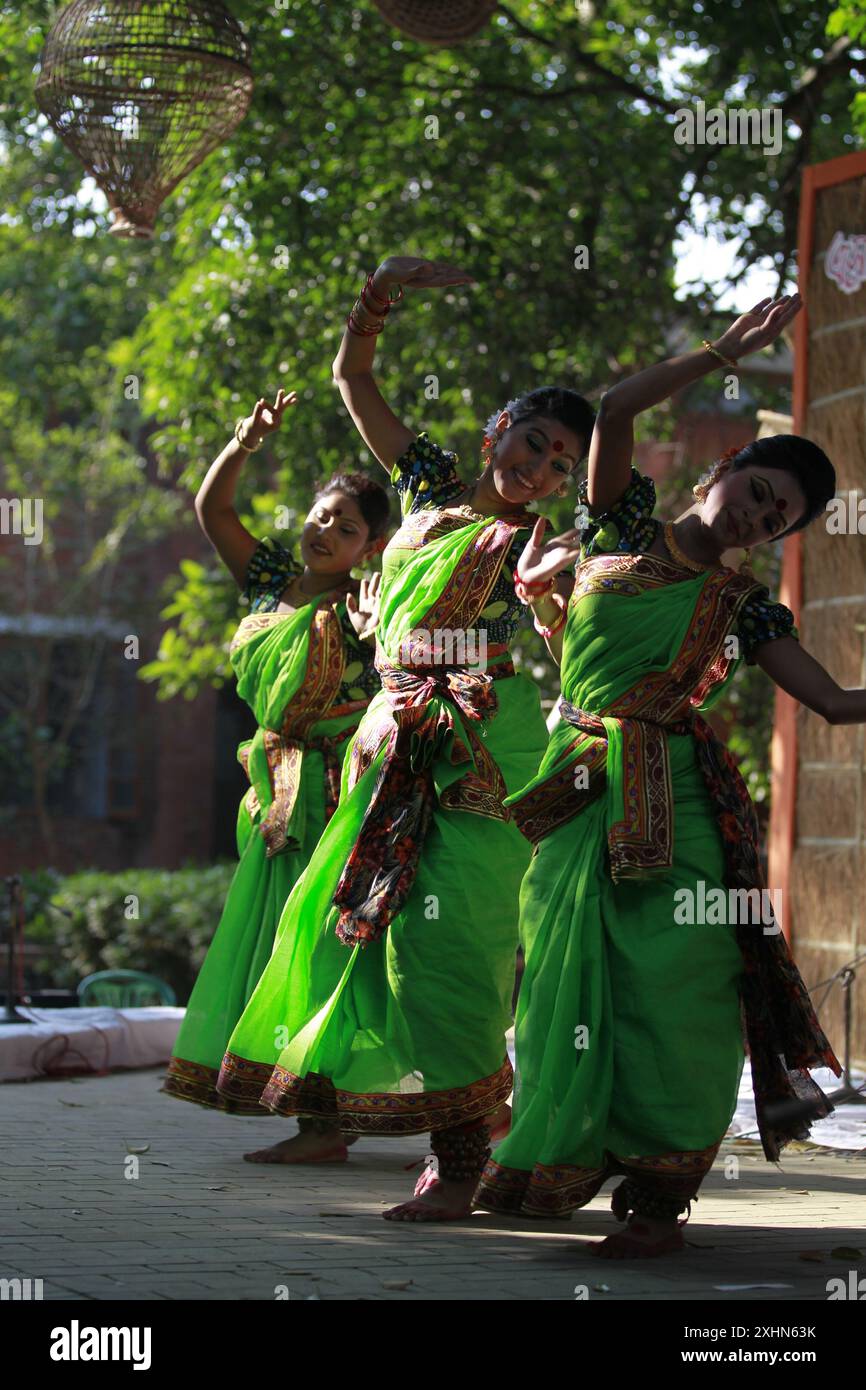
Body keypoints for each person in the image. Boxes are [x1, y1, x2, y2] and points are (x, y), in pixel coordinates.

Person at [474, 292, 852, 1256]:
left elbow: (838, 703)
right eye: (762, 492)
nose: (762, 518)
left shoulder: (744, 605)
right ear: (727, 468)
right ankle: (559, 1159)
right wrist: (722, 350)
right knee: (566, 981)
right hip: (576, 788)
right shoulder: (617, 526)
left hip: (678, 797)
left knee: (680, 980)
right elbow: (613, 410)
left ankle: (657, 1197)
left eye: (780, 521)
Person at [215, 257, 595, 1217]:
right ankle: (351, 1123)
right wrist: (377, 294)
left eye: (558, 465)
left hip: (474, 746)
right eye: (534, 443)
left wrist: (548, 597)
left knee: (451, 950)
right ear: (496, 429)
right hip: (387, 744)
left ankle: (461, 1162)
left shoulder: (532, 542)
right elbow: (353, 381)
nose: (538, 470)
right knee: (355, 937)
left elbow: (544, 620)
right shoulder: (426, 483)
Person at [163, 389, 390, 1166]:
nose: (325, 530)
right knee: (273, 953)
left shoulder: (373, 608)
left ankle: (331, 1122)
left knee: (322, 952)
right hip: (274, 802)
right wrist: (243, 442)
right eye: (322, 515)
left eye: (348, 527)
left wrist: (381, 632)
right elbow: (213, 510)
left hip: (337, 804)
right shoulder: (268, 582)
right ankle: (315, 1114)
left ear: (371, 549)